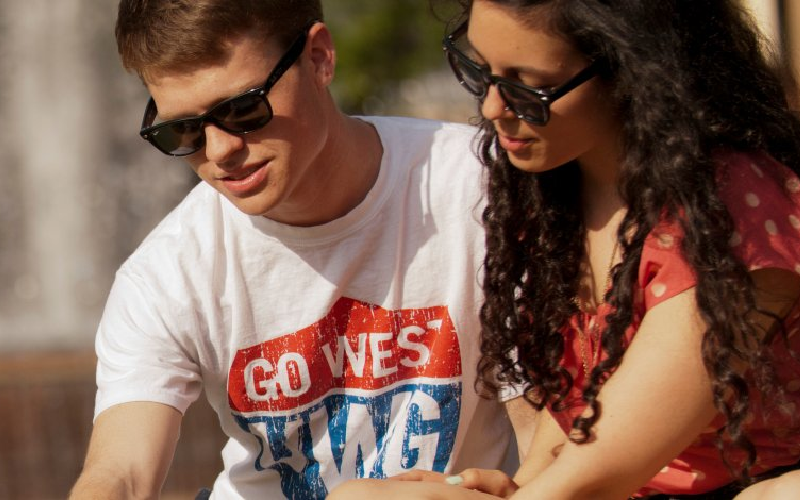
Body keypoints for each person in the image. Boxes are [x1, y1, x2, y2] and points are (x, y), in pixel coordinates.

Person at [329, 0, 800, 498]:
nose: (492, 107)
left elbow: (606, 466)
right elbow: (580, 415)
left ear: (632, 69)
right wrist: (518, 485)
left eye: (527, 86)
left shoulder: (729, 207)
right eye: (480, 70)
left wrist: (534, 491)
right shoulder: (554, 193)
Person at [67, 1, 520, 499]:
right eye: (183, 131)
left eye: (242, 109)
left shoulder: (481, 188)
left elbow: (552, 439)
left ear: (320, 57)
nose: (219, 152)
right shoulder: (165, 273)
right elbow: (122, 474)